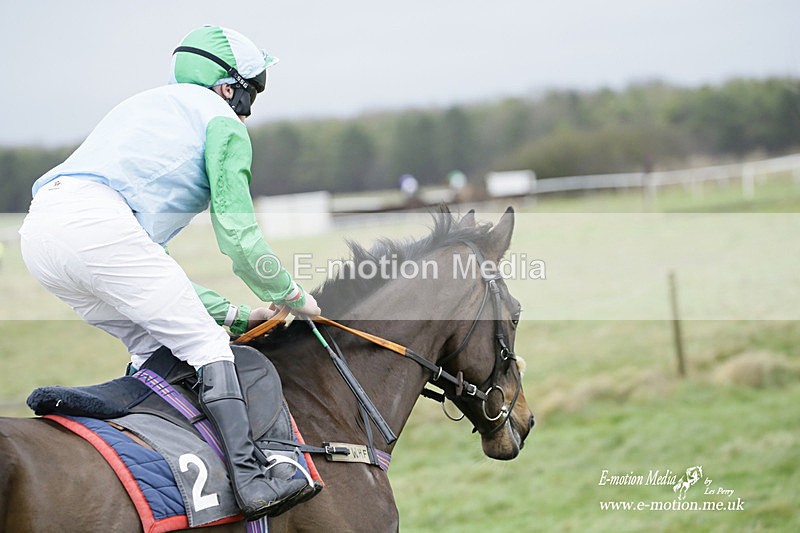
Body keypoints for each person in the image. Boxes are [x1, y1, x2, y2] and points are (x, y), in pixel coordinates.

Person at [18, 25, 319, 520]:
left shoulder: (149, 108)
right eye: (252, 92)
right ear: (229, 86)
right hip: (96, 227)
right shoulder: (222, 121)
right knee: (206, 347)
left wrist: (238, 312)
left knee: (154, 346)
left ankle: (110, 410)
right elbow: (240, 239)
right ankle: (252, 481)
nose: (249, 108)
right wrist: (290, 294)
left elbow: (148, 271)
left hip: (42, 235)